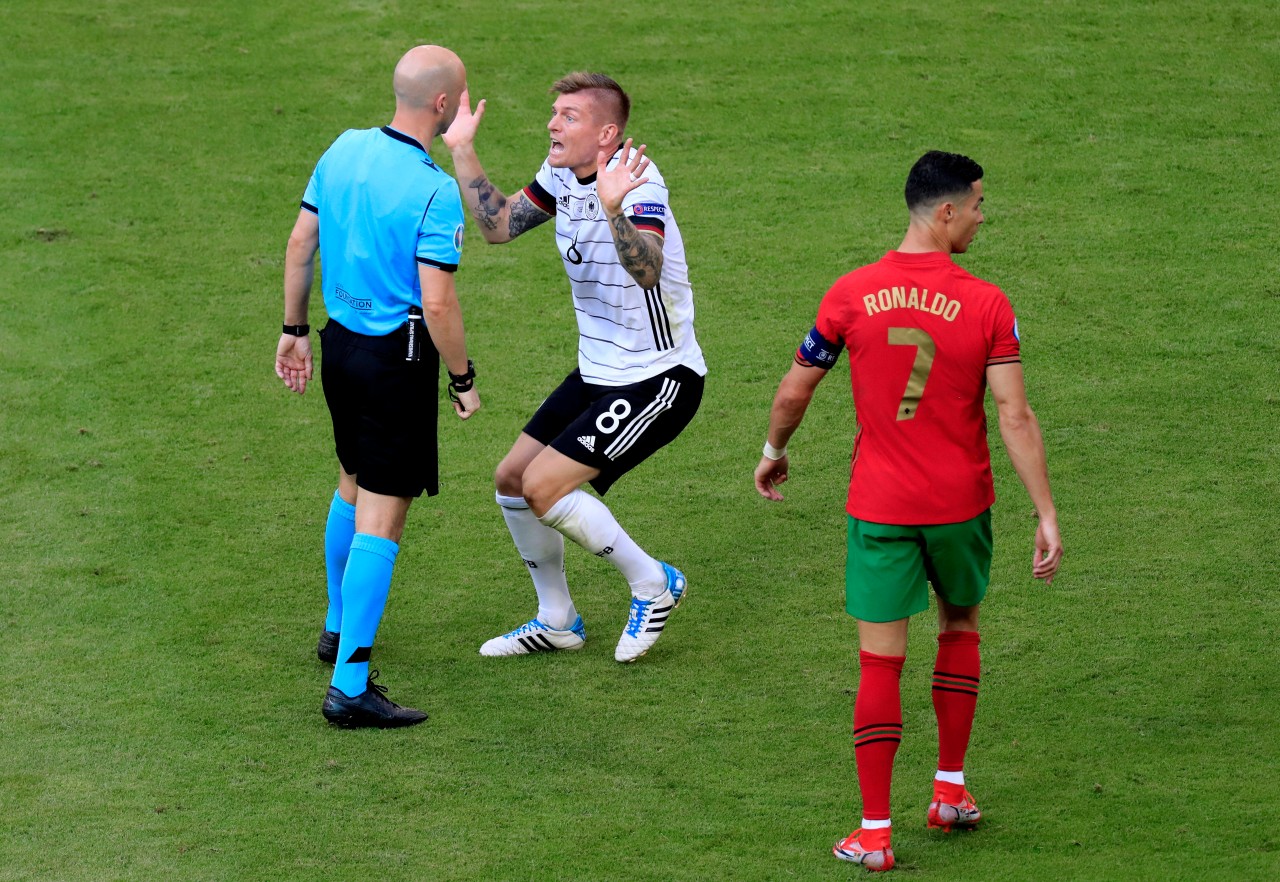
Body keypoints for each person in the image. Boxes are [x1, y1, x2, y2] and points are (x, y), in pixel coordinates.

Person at [753, 151, 1063, 870]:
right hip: (960, 506)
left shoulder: (852, 293)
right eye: (979, 204)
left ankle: (874, 832)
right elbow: (1014, 413)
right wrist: (1044, 510)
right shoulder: (988, 303)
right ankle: (949, 791)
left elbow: (796, 390)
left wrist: (774, 447)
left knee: (879, 662)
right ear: (946, 211)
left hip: (883, 507)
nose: (984, 216)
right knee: (960, 627)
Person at [442, 72, 706, 663]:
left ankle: (653, 584)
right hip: (597, 371)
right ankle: (556, 619)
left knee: (543, 486)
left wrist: (613, 207)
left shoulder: (638, 184)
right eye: (554, 113)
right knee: (512, 479)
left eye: (568, 116)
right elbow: (499, 227)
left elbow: (648, 270)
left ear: (607, 133)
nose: (552, 124)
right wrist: (462, 148)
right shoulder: (561, 173)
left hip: (658, 378)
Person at [275, 45, 482, 728]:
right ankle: (350, 685)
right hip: (400, 359)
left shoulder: (343, 149)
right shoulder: (433, 188)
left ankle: (337, 627)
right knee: (384, 515)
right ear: (444, 106)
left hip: (341, 348)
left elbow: (302, 242)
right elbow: (440, 301)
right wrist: (462, 378)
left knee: (351, 479)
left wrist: (294, 328)